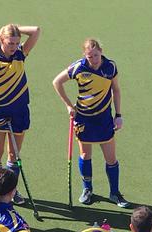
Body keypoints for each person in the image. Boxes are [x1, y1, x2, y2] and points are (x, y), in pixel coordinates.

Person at [53, 38, 131, 208]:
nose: (93, 60)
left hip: (104, 118)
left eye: (96, 55)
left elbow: (116, 90)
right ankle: (87, 189)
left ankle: (115, 193)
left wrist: (118, 115)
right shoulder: (79, 67)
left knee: (111, 158)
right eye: (89, 56)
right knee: (85, 155)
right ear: (84, 55)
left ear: (101, 52)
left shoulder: (110, 67)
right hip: (83, 118)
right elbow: (57, 82)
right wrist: (68, 105)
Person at [0, 24, 41, 205]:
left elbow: (36, 30)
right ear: (2, 40)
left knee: (14, 155)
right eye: (10, 42)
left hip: (19, 111)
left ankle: (12, 191)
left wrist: (14, 27)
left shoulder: (21, 54)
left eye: (16, 42)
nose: (14, 46)